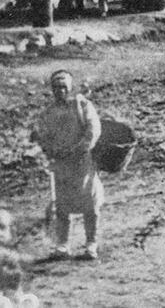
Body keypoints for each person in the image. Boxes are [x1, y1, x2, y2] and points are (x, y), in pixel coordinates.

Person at [31, 70, 103, 262]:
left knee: (90, 202)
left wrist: (81, 148)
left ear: (70, 88)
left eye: (64, 87)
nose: (60, 91)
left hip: (82, 162)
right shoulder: (49, 113)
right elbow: (42, 135)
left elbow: (93, 129)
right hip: (62, 164)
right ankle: (62, 245)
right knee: (62, 205)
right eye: (56, 88)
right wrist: (50, 150)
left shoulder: (82, 105)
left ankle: (91, 244)